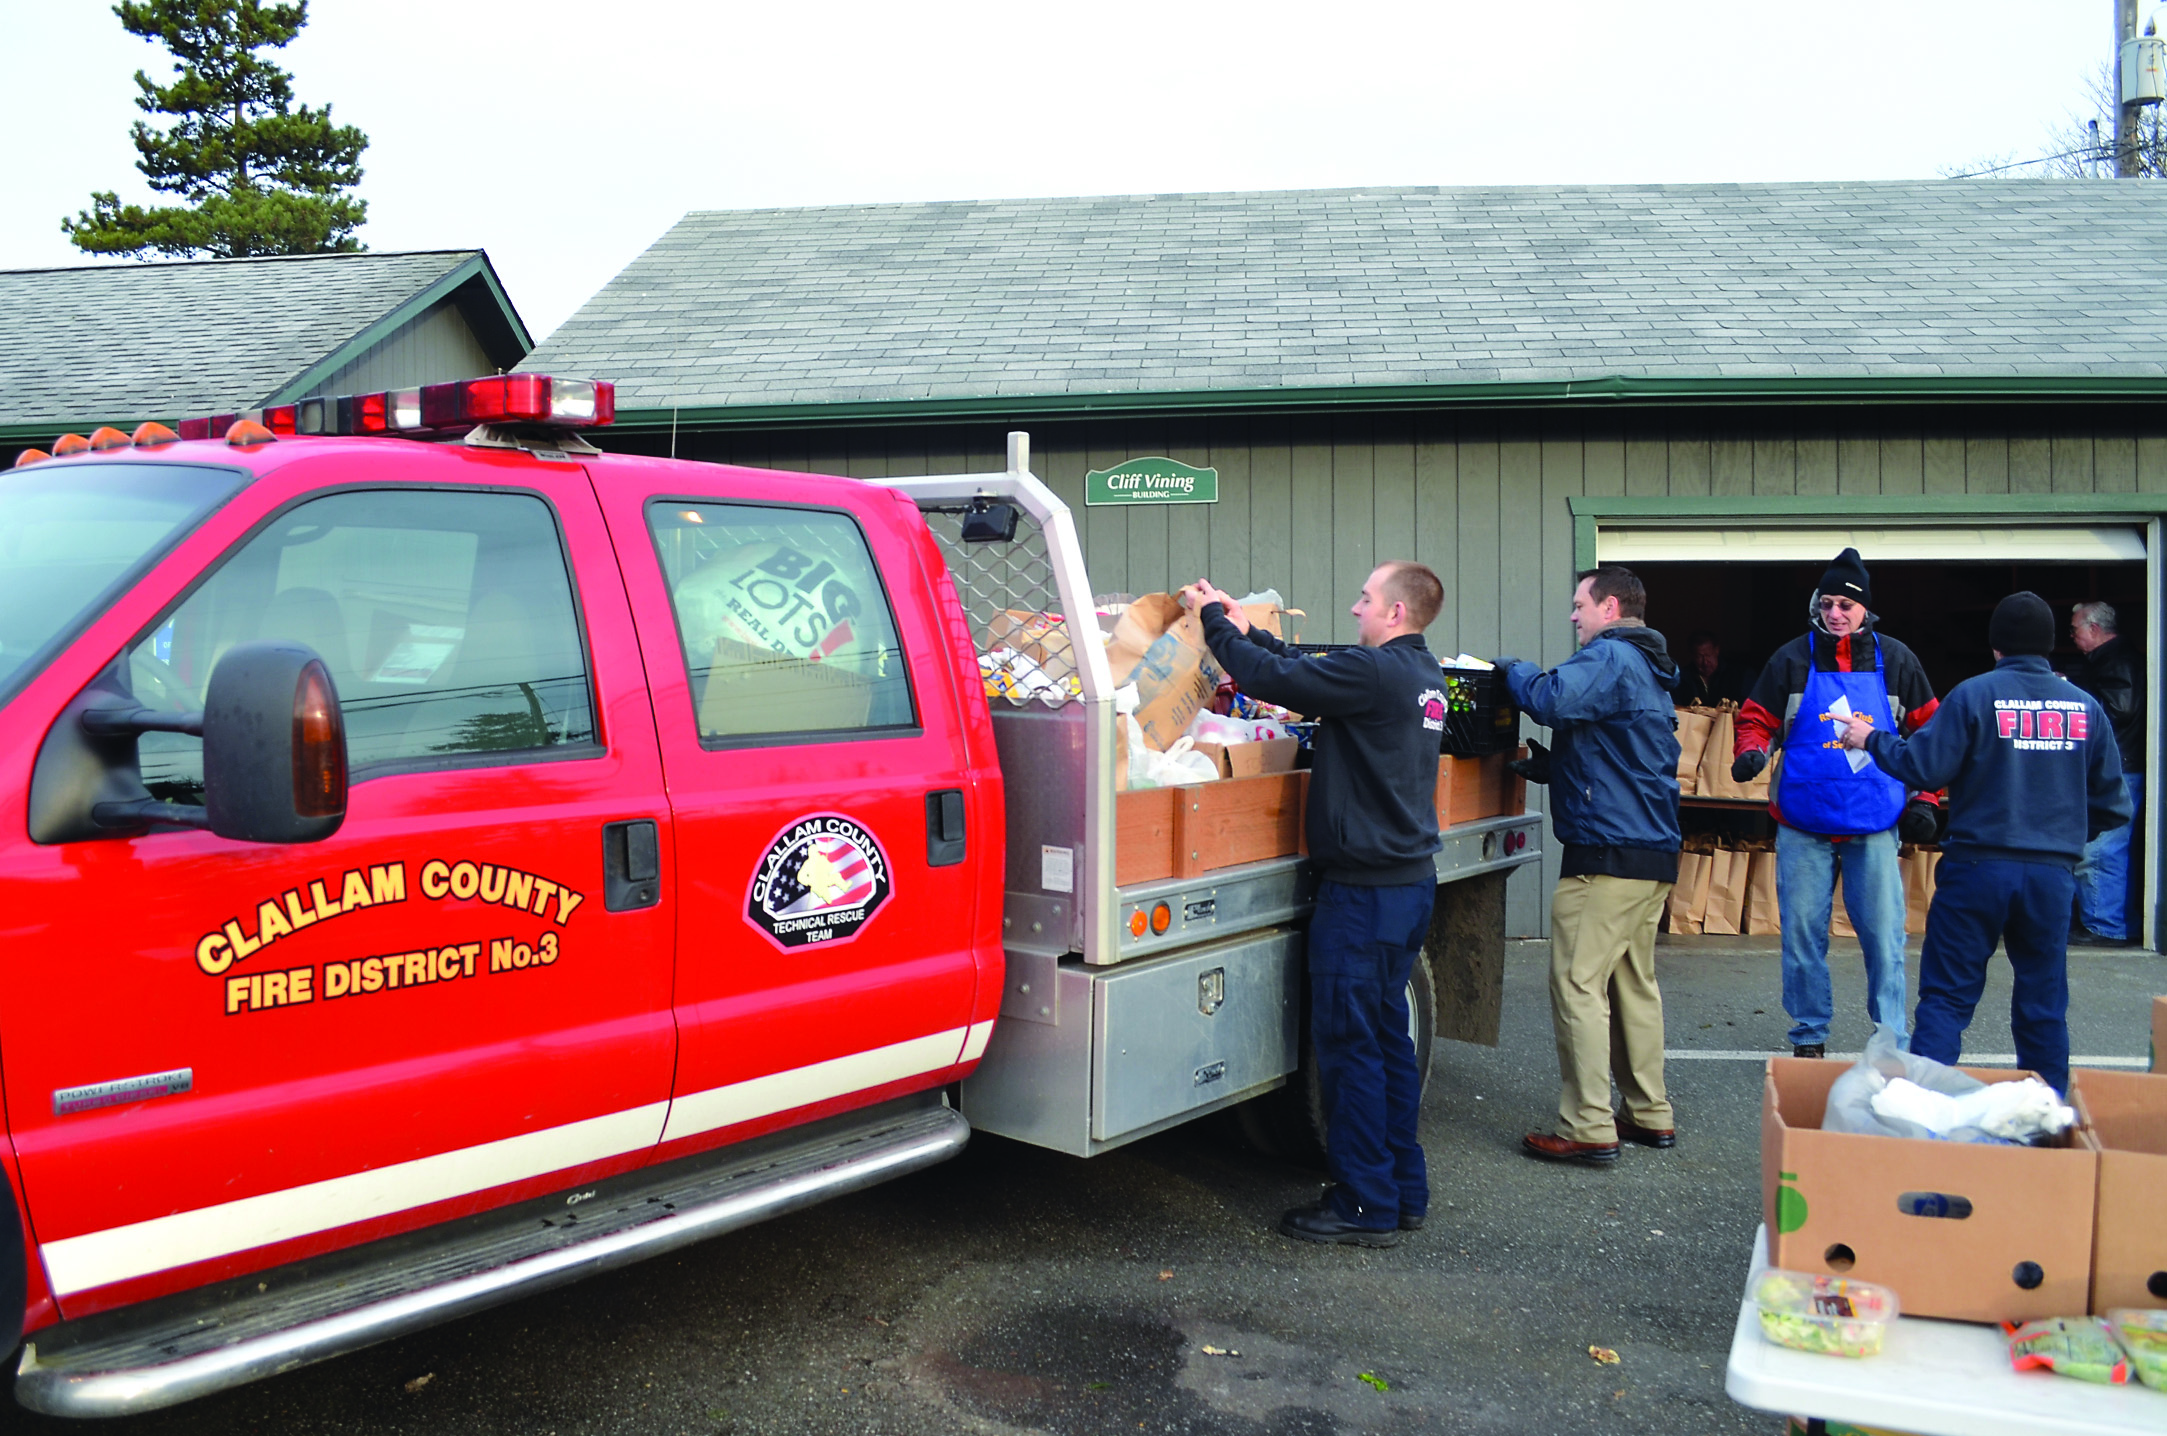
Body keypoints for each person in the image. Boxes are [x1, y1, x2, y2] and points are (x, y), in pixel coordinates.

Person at [1183, 562, 1446, 1247]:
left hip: (1362, 895)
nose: (1355, 607)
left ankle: (1363, 1203)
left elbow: (1277, 682)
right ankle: (1399, 1190)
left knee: (1349, 1050)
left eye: (1364, 599)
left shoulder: (1377, 672)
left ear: (1393, 613)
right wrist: (1245, 628)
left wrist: (1212, 620)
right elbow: (1305, 666)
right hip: (1404, 886)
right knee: (1387, 1043)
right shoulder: (1418, 675)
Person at [1839, 592, 2131, 1095]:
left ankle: (1922, 1110)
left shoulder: (1974, 695)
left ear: (1995, 646)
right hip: (2050, 877)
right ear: (2050, 646)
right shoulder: (2083, 708)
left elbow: (1923, 767)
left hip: (1977, 868)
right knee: (2043, 1002)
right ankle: (2046, 1119)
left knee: (1948, 998)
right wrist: (2059, 839)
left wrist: (1870, 739)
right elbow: (2113, 805)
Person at [1494, 565, 1682, 1166]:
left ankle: (1587, 1126)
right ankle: (1648, 1113)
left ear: (1611, 607)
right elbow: (1621, 758)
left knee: (1577, 984)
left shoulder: (1612, 657)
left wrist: (1509, 669)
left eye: (1580, 605)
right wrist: (1549, 766)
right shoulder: (1651, 670)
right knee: (1633, 987)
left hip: (1605, 859)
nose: (1573, 615)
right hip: (1650, 854)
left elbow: (1548, 698)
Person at [1730, 548, 1940, 1060]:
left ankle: (1889, 1038)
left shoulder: (1899, 661)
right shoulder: (1790, 660)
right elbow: (1756, 718)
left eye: (1847, 604)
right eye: (1827, 604)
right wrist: (1752, 751)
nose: (1836, 613)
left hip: (1874, 823)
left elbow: (1932, 733)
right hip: (1803, 822)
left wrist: (1928, 799)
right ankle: (1809, 1036)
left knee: (1886, 941)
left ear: (1866, 610)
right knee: (1802, 937)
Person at [2067, 601, 2144, 944]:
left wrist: (2071, 694)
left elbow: (2119, 709)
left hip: (2119, 769)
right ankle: (2102, 921)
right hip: (2121, 767)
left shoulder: (2117, 660)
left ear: (2095, 630)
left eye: (2075, 630)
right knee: (2100, 848)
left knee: (2100, 850)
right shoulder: (2113, 658)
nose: (2072, 636)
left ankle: (2106, 926)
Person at [1676, 631, 1748, 707]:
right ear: (1692, 656)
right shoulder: (1682, 678)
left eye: (1709, 655)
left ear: (1717, 650)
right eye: (1699, 657)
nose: (1705, 662)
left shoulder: (1737, 675)